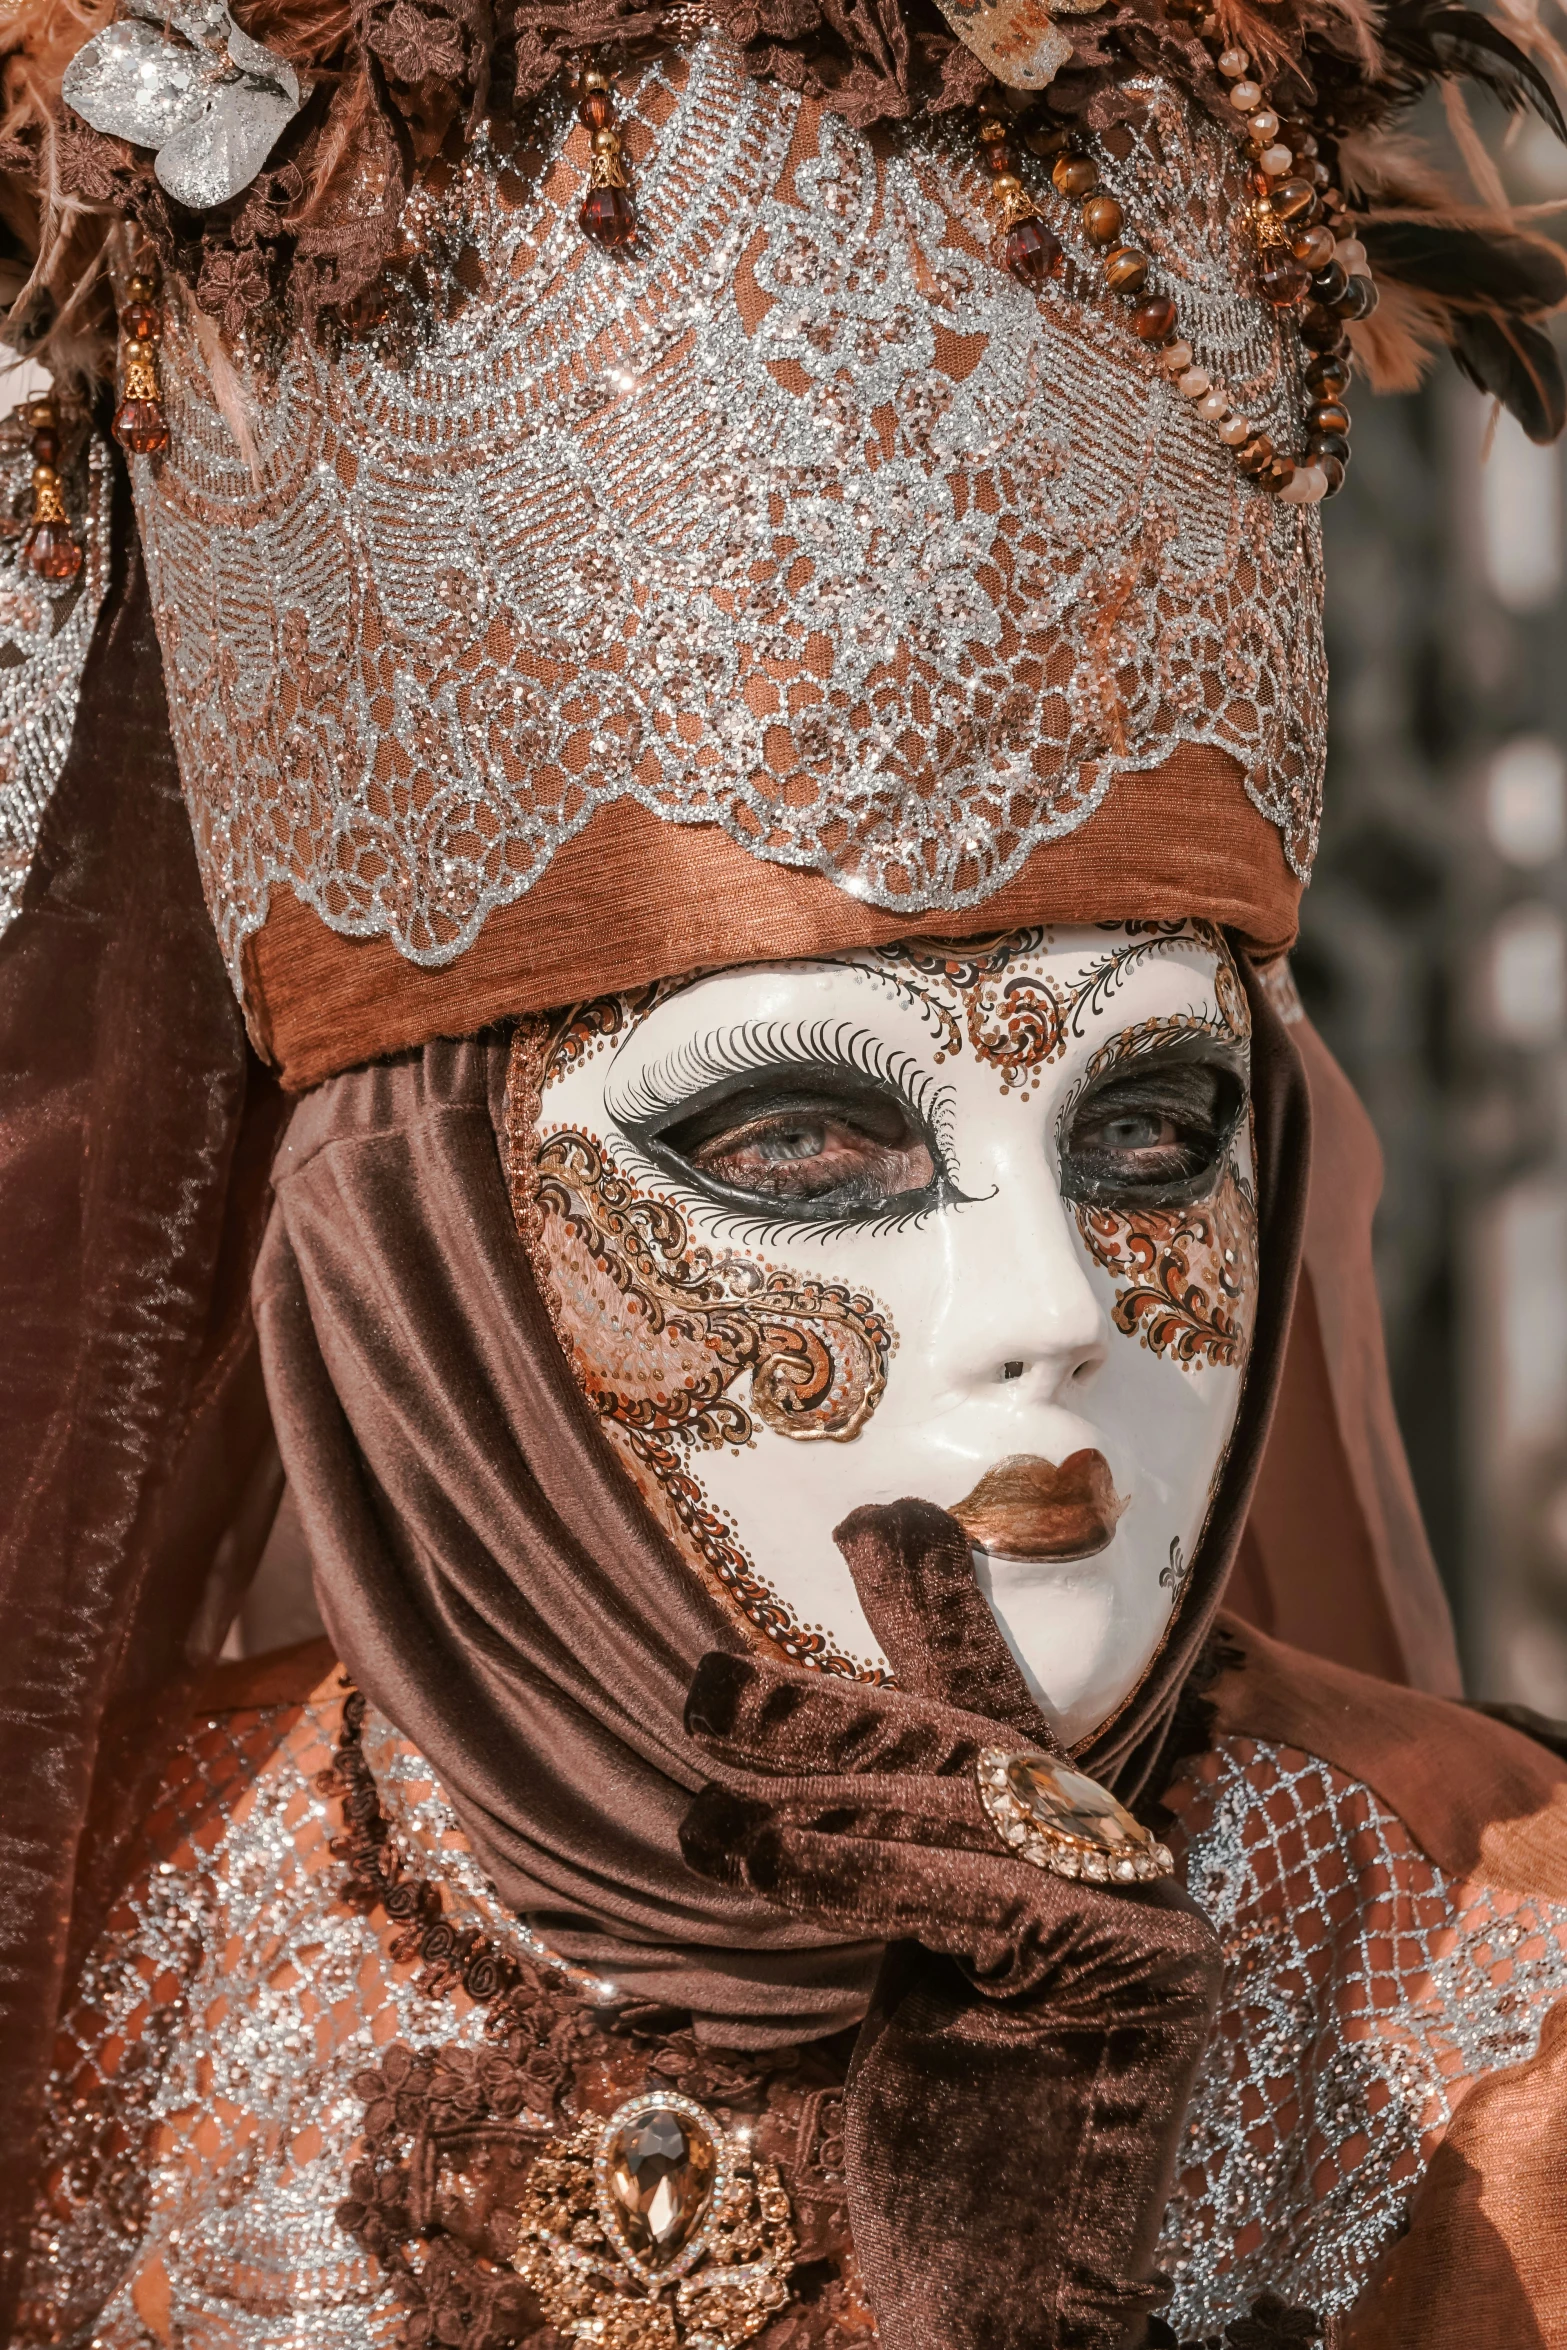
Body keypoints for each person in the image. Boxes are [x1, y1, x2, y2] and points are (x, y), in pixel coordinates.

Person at [3, 0, 1567, 2342]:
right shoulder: (99, 1938)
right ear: (433, 1256)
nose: (1054, 1296)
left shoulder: (1501, 2002)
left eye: (1148, 1129)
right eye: (806, 1142)